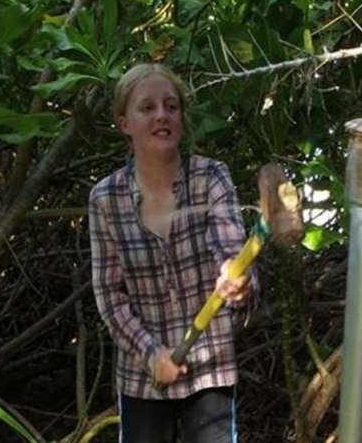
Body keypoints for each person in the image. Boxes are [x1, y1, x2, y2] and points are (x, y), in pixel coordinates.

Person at [88, 63, 255, 443]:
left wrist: (238, 281)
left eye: (171, 106)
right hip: (142, 376)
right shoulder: (105, 199)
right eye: (147, 108)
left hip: (210, 362)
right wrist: (151, 355)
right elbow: (110, 297)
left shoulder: (211, 177)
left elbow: (231, 250)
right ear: (124, 123)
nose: (162, 115)